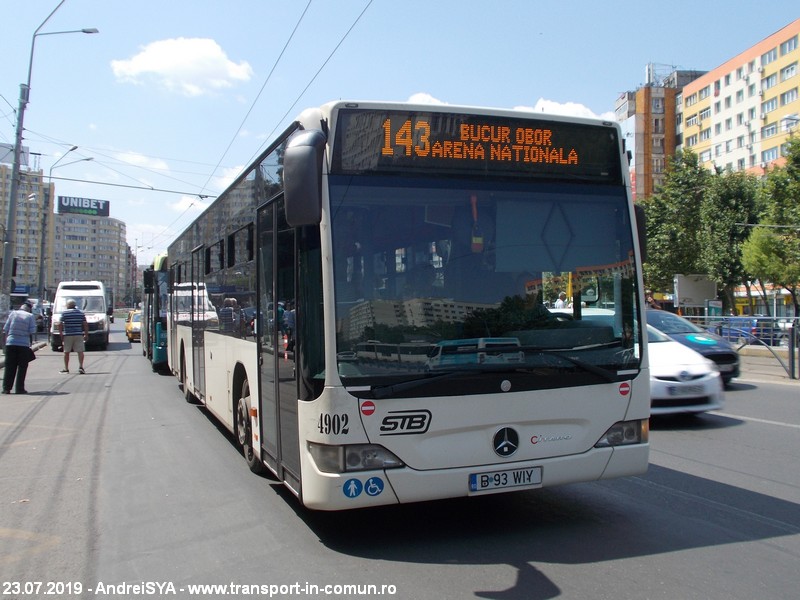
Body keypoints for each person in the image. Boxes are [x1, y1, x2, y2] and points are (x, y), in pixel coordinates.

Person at [2, 300, 37, 394]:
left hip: (11, 343)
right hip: (23, 344)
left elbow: (6, 329)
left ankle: (6, 388)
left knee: (9, 366)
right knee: (22, 367)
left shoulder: (13, 314)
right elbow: (32, 331)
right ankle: (19, 388)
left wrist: (6, 342)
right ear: (29, 309)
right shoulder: (30, 316)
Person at [58, 299, 89, 374]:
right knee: (80, 351)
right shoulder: (81, 313)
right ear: (74, 305)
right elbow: (85, 324)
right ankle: (81, 367)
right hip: (78, 334)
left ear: (68, 305)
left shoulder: (64, 313)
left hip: (68, 334)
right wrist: (86, 334)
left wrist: (61, 334)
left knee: (66, 352)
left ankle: (66, 368)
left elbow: (60, 324)